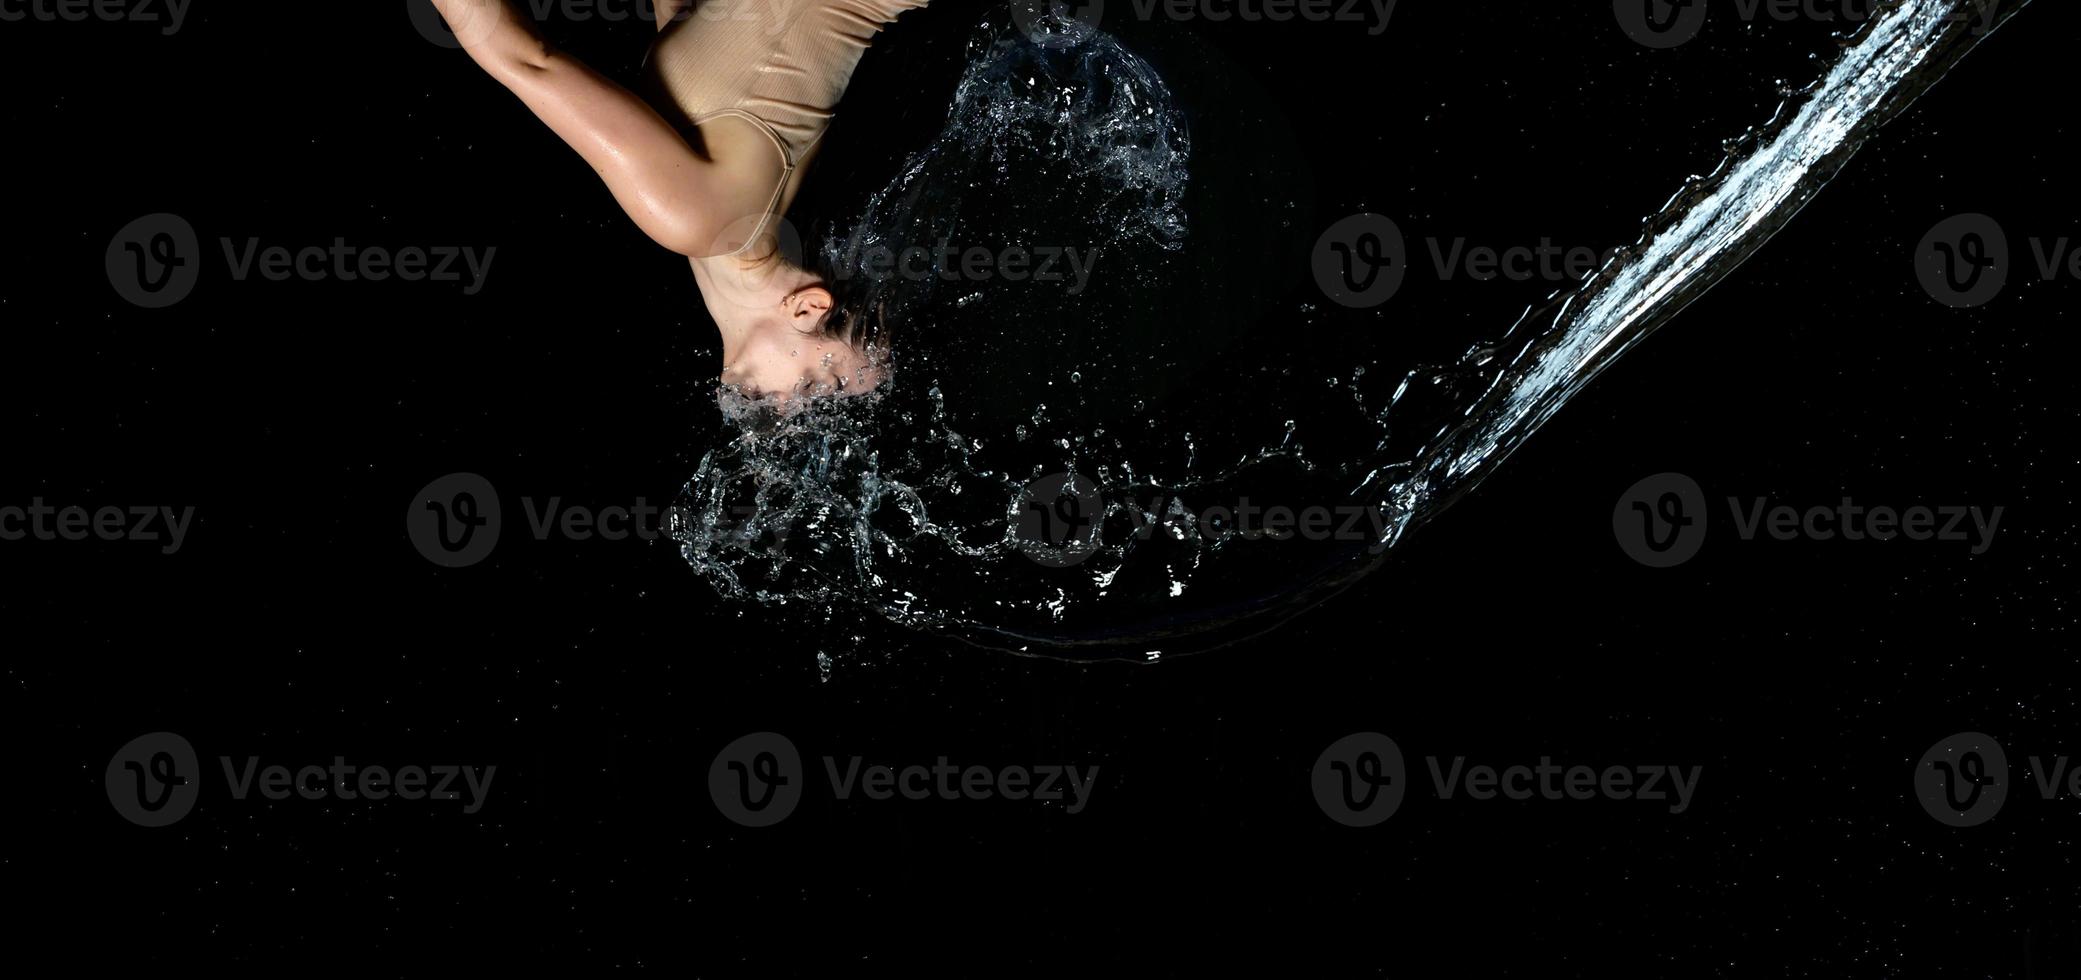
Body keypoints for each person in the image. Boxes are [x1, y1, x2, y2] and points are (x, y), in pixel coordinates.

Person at [428, 0, 932, 400]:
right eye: (820, 388)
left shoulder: (728, 214)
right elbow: (526, 60)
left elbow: (689, 26)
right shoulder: (695, 219)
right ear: (807, 310)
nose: (793, 418)